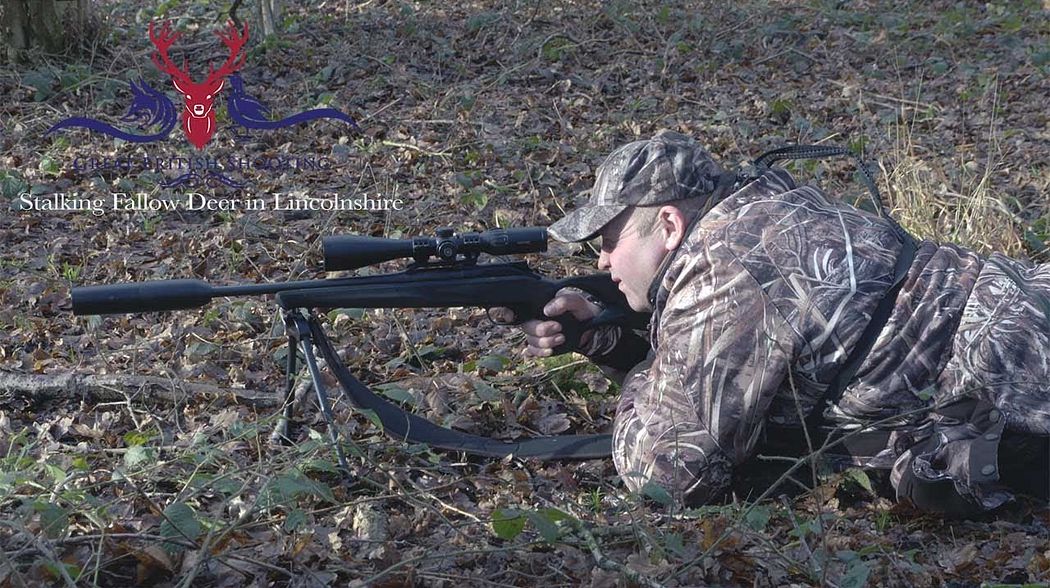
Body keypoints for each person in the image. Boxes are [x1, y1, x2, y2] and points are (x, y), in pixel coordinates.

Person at [521, 130, 1049, 516]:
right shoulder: (763, 204)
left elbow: (666, 476)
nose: (601, 262)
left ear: (668, 224)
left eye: (609, 240)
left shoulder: (726, 273)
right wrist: (605, 337)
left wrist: (642, 371)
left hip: (1025, 382)